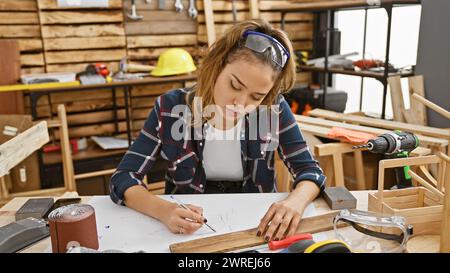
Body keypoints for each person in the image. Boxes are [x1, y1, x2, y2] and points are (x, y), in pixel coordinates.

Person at [110, 20, 326, 242]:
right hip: (187, 230)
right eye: (234, 85)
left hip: (256, 227)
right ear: (217, 66)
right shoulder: (170, 108)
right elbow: (123, 177)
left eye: (256, 96)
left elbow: (310, 172)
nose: (240, 104)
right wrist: (164, 210)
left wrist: (294, 202)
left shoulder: (273, 109)